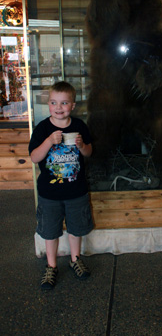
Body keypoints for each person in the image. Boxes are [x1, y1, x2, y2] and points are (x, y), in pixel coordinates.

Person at [29, 81, 94, 290]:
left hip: (76, 191)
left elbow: (89, 152)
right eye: (54, 103)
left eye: (64, 103)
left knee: (76, 228)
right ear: (48, 104)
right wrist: (49, 141)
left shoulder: (79, 126)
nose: (59, 107)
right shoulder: (43, 128)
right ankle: (51, 265)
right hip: (50, 194)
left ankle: (75, 259)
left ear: (72, 106)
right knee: (50, 231)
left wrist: (82, 146)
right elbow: (34, 157)